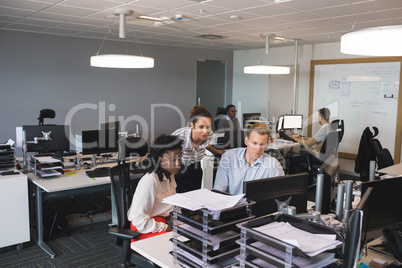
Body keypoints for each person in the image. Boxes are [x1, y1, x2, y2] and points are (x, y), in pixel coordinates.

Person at [127, 135, 182, 241]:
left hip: (160, 223)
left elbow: (170, 205)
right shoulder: (151, 181)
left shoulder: (170, 175)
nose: (178, 164)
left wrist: (180, 221)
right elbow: (139, 222)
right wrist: (166, 228)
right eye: (173, 160)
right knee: (178, 244)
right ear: (160, 160)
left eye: (179, 158)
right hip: (143, 230)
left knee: (191, 238)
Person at [213, 123, 284, 195]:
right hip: (232, 205)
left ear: (267, 144)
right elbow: (218, 192)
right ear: (246, 141)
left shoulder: (273, 164)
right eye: (254, 143)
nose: (258, 148)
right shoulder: (229, 158)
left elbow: (280, 195)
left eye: (262, 144)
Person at [172, 105, 225, 193]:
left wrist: (216, 151)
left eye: (208, 126)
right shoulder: (180, 135)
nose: (205, 131)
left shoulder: (210, 135)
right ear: (192, 125)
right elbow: (164, 151)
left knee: (194, 201)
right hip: (178, 171)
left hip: (195, 170)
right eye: (201, 127)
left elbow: (206, 144)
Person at [290, 107, 331, 174]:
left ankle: (301, 181)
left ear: (321, 118)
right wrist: (301, 137)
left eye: (318, 117)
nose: (318, 119)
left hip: (317, 157)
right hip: (325, 157)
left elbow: (308, 143)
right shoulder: (329, 127)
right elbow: (315, 139)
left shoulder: (323, 130)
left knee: (294, 160)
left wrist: (296, 139)